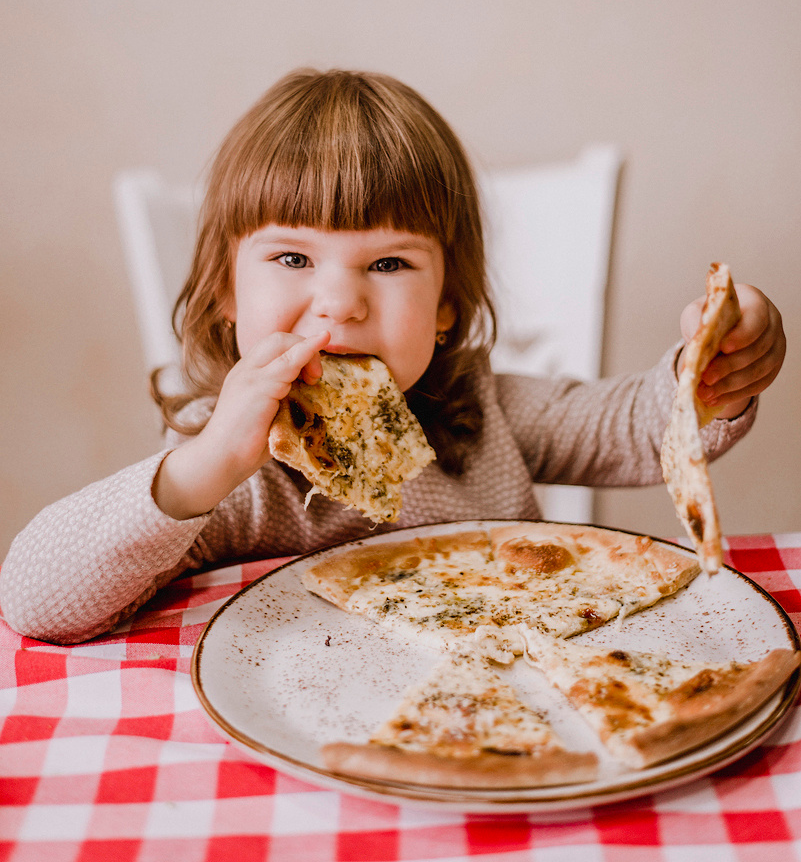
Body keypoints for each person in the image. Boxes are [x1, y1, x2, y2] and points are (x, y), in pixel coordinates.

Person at [0, 70, 786, 644]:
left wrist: (711, 367)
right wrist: (202, 467)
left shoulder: (485, 414)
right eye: (292, 260)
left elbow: (641, 427)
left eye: (388, 265)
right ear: (225, 297)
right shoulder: (232, 472)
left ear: (445, 305)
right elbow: (37, 601)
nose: (339, 302)